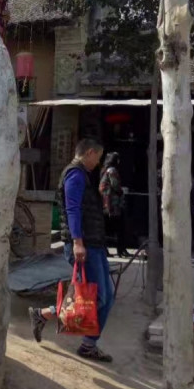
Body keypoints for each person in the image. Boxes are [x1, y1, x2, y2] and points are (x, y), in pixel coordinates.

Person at [28, 138, 114, 362]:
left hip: (94, 244)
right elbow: (73, 210)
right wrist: (77, 242)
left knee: (105, 295)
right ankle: (47, 317)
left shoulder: (84, 175)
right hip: (84, 245)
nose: (98, 162)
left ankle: (85, 342)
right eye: (97, 157)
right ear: (90, 152)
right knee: (97, 297)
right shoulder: (75, 175)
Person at [99, 152, 130, 258]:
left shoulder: (104, 170)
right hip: (113, 206)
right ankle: (121, 250)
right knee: (121, 228)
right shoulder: (112, 170)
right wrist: (122, 191)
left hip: (106, 205)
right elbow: (115, 185)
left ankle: (105, 250)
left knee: (106, 229)